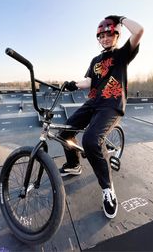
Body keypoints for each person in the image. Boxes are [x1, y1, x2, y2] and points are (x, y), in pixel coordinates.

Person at [59, 15, 144, 219]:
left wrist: (121, 19)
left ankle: (108, 189)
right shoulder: (95, 60)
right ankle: (74, 164)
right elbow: (89, 81)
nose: (105, 38)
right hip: (93, 102)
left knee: (90, 140)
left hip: (111, 105)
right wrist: (73, 84)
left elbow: (139, 30)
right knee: (64, 133)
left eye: (109, 34)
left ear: (116, 35)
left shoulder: (122, 54)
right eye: (102, 36)